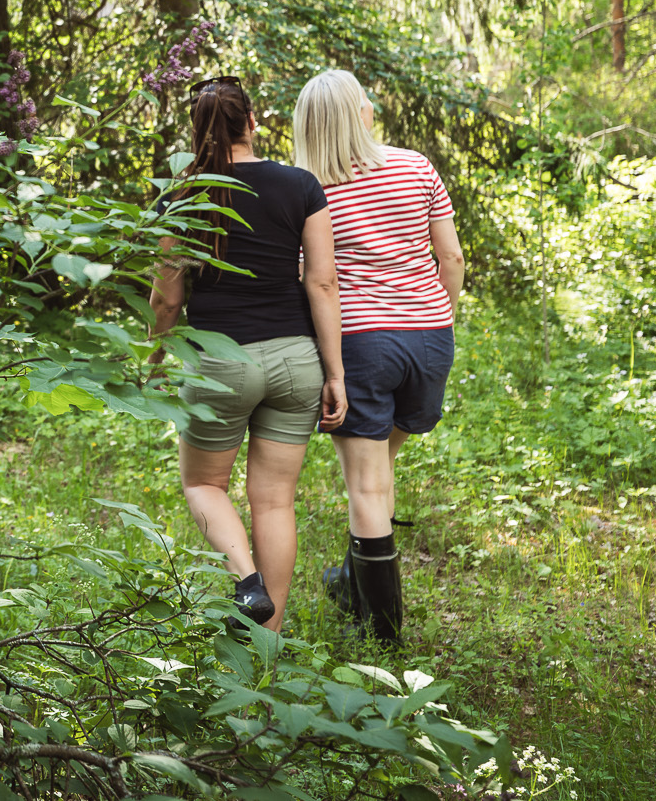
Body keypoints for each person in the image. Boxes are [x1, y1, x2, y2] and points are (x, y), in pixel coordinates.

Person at [150, 78, 348, 633]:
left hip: (220, 361)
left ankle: (245, 581)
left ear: (198, 130)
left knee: (202, 485)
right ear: (253, 121)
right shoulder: (300, 186)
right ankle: (268, 644)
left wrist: (153, 360)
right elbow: (323, 283)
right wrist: (335, 373)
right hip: (295, 361)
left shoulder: (181, 196)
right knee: (276, 502)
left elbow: (167, 297)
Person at [291, 69, 465, 644]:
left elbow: (312, 279)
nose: (372, 103)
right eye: (364, 98)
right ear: (355, 112)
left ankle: (383, 635)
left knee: (365, 484)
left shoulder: (306, 187)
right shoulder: (416, 165)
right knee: (381, 466)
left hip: (361, 343)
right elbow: (452, 259)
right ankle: (350, 580)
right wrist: (442, 325)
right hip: (430, 335)